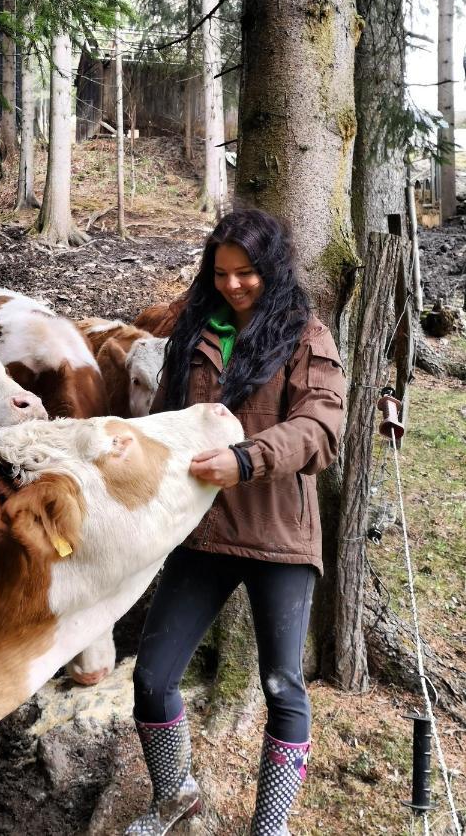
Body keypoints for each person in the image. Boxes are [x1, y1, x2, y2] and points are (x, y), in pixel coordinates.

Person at [124, 209, 346, 836]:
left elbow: (322, 430)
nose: (232, 285)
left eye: (245, 273)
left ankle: (268, 828)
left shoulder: (306, 336)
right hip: (201, 532)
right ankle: (177, 797)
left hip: (279, 536)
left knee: (282, 687)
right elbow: (164, 423)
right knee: (152, 676)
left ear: (270, 269)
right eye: (220, 273)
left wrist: (246, 459)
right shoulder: (195, 333)